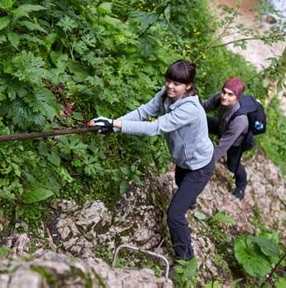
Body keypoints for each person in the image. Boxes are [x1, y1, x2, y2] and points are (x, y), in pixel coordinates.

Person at [88, 60, 214, 262]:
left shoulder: (190, 108)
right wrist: (113, 124)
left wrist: (115, 124)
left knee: (174, 215)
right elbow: (143, 113)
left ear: (188, 86)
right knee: (182, 188)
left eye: (177, 84)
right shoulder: (166, 95)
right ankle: (190, 201)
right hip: (183, 162)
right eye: (169, 81)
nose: (170, 86)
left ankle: (186, 260)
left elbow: (154, 127)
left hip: (200, 166)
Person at [202, 77, 249, 200]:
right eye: (224, 92)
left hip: (235, 141)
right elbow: (203, 107)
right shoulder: (220, 97)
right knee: (199, 120)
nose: (224, 97)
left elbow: (222, 147)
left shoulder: (240, 120)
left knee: (232, 165)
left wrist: (205, 165)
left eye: (230, 95)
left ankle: (241, 186)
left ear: (237, 97)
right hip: (222, 126)